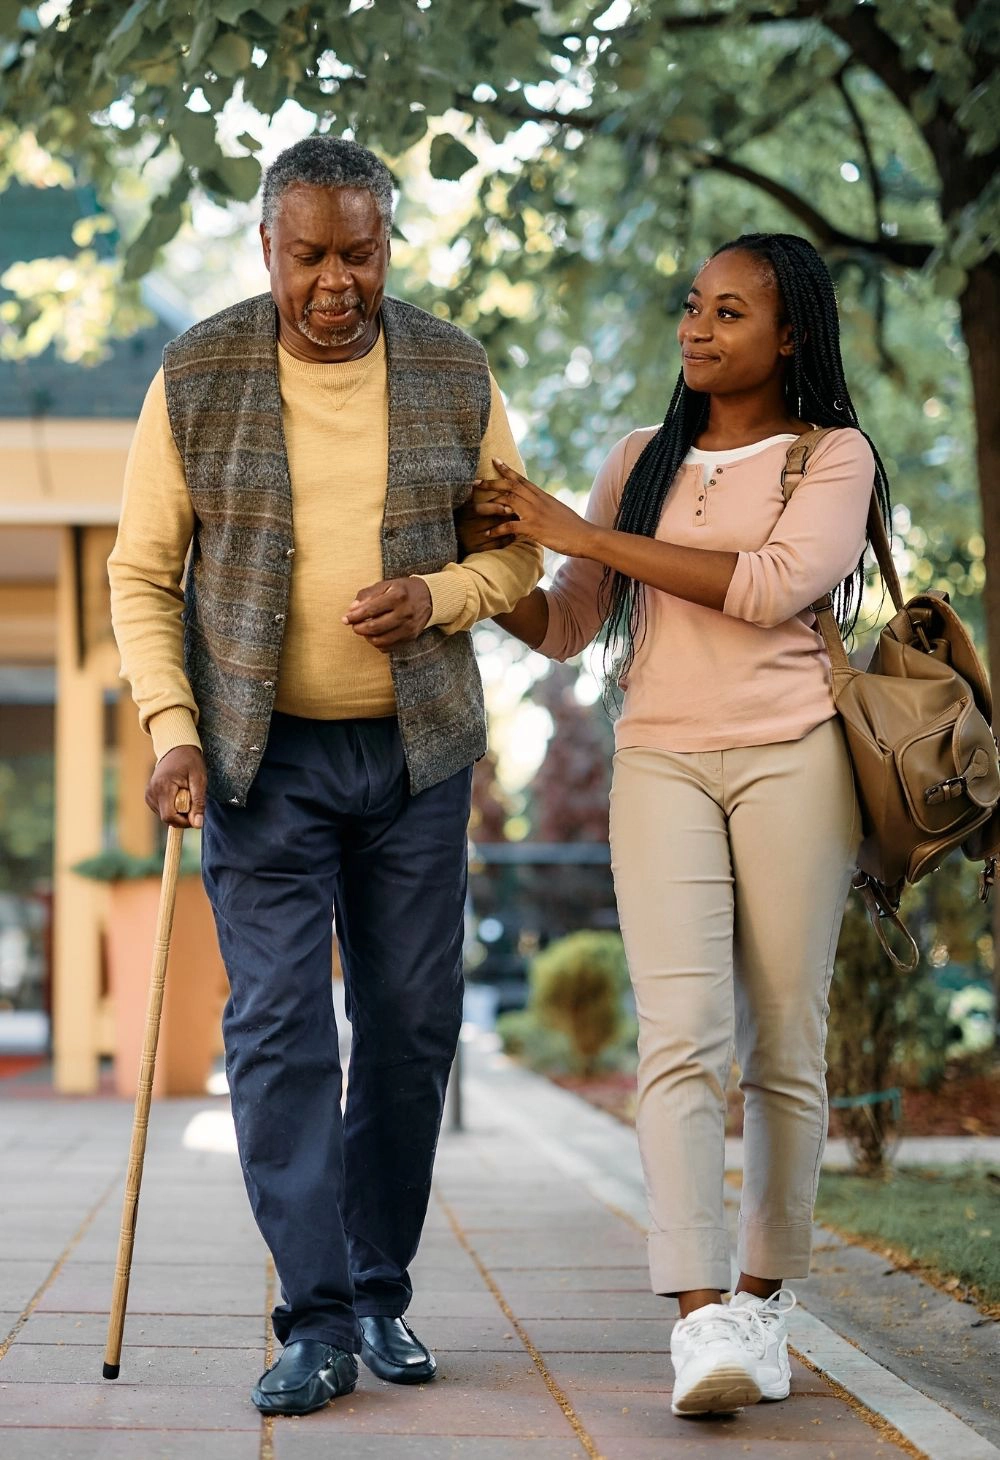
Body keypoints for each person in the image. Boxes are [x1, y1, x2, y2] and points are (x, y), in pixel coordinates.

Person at [108, 135, 542, 1417]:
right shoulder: (198, 372)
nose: (338, 281)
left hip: (415, 755)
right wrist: (170, 725)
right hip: (260, 754)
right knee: (281, 1026)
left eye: (361, 251)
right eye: (312, 255)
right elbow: (142, 573)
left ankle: (376, 1288)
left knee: (411, 1025)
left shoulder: (455, 367)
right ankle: (312, 1316)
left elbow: (516, 558)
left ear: (387, 245)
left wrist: (441, 594)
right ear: (269, 249)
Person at [462, 233, 885, 1418]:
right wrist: (486, 572)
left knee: (784, 1044)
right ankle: (699, 1318)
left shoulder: (829, 457)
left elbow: (763, 587)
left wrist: (576, 528)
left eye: (730, 311)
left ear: (788, 332)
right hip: (660, 760)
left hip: (793, 758)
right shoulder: (635, 459)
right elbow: (568, 624)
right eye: (692, 306)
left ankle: (763, 1297)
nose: (698, 328)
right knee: (681, 1036)